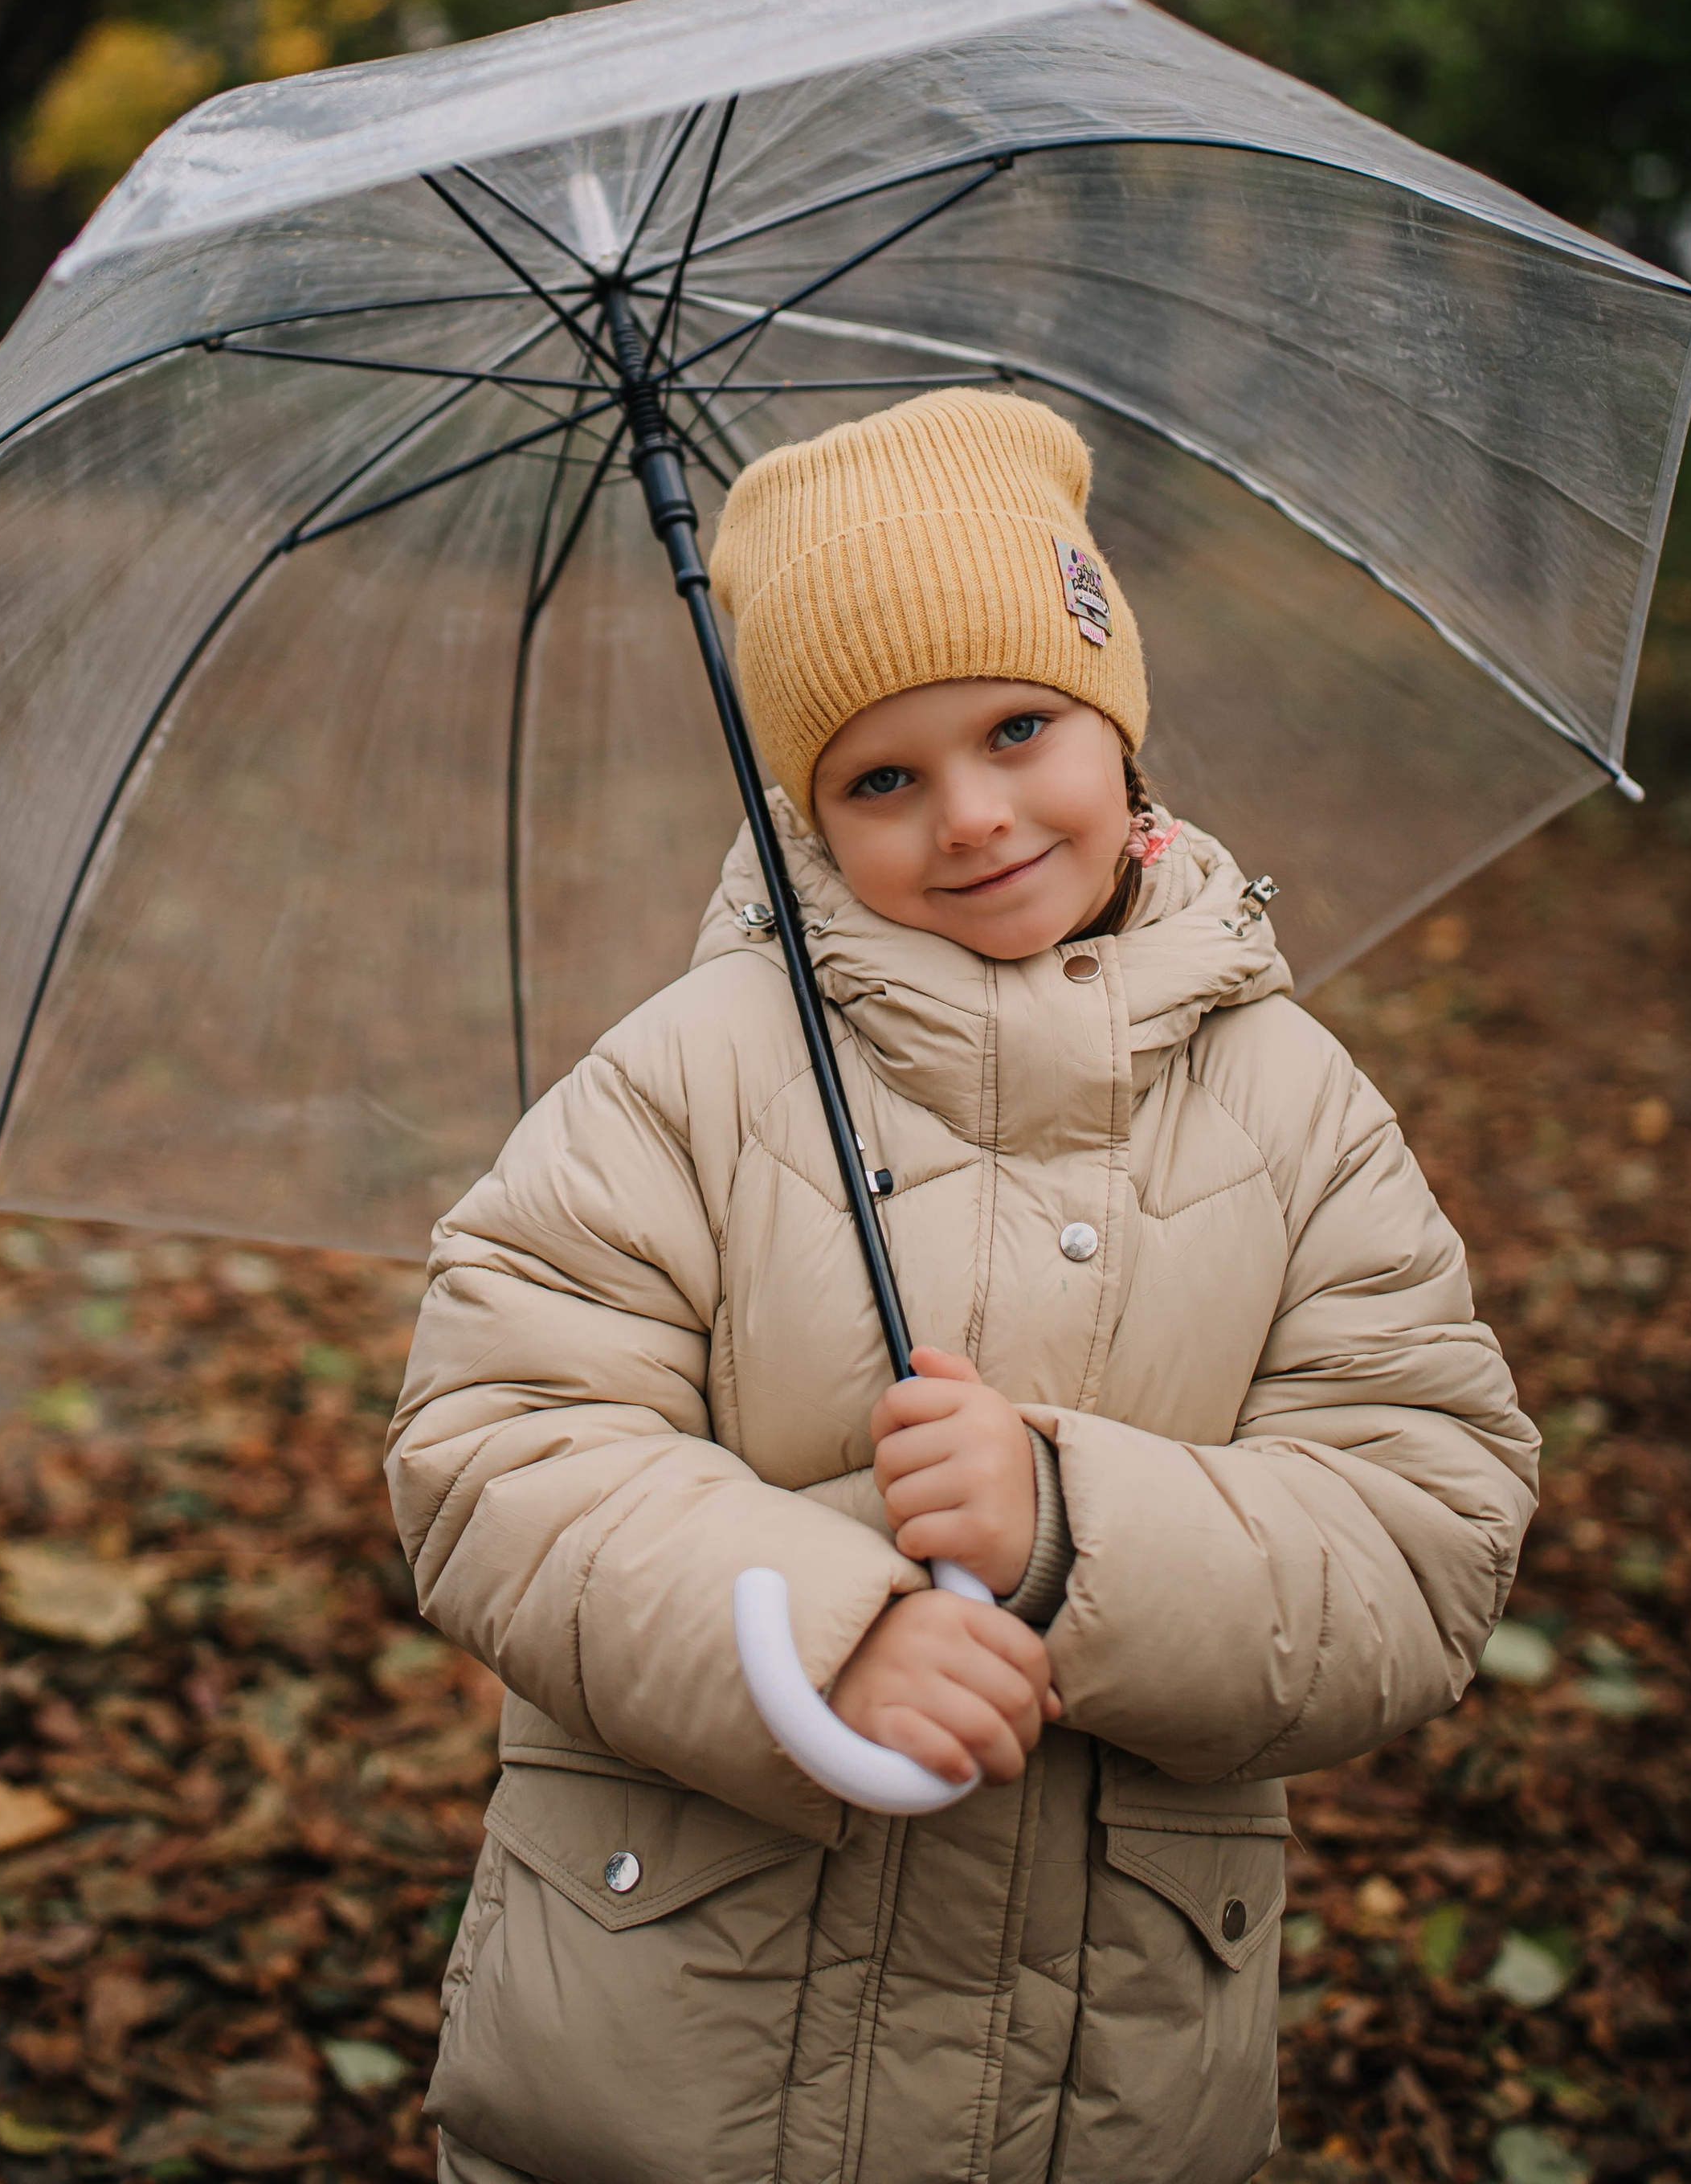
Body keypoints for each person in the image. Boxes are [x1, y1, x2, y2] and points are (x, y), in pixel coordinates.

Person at [386, 387, 1538, 2184]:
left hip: (1100, 2073)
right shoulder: (690, 1080)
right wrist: (812, 1632)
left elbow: (1421, 1529)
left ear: (1120, 722)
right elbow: (497, 1440)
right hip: (678, 2052)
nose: (976, 815)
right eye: (881, 779)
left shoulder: (1291, 1110)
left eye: (1020, 727)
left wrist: (1067, 1530)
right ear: (803, 812)